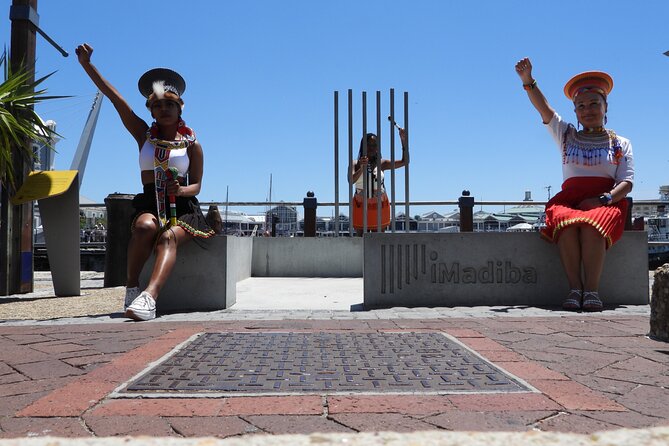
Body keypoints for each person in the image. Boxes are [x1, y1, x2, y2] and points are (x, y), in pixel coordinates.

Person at [76, 43, 214, 321]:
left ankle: (149, 298)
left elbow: (197, 184)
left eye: (170, 104)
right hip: (150, 200)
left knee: (166, 237)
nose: (164, 109)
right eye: (158, 105)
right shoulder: (143, 135)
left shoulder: (192, 145)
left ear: (179, 109)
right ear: (151, 111)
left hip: (182, 206)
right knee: (143, 227)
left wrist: (180, 189)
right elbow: (116, 99)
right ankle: (131, 287)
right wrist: (87, 66)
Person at [515, 57, 634, 311]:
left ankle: (591, 291)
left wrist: (602, 199)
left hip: (606, 202)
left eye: (594, 104)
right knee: (567, 227)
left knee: (592, 228)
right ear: (575, 112)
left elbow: (626, 182)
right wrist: (528, 81)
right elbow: (545, 109)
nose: (588, 109)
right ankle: (574, 289)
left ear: (605, 106)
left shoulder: (620, 143)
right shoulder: (566, 135)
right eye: (581, 105)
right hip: (569, 201)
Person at [349, 128, 409, 236]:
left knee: (379, 239)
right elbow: (351, 180)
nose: (372, 148)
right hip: (360, 204)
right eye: (369, 145)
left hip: (380, 204)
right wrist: (362, 168)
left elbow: (405, 162)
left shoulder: (382, 163)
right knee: (361, 239)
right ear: (364, 146)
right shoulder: (355, 163)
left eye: (374, 145)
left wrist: (403, 141)